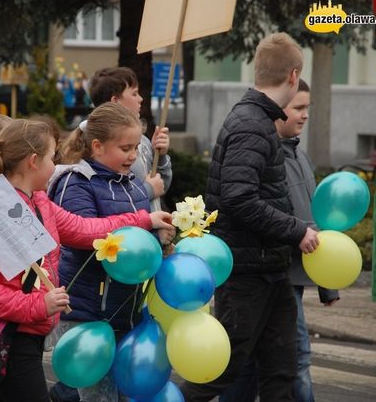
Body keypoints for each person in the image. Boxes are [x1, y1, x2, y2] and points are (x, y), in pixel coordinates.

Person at [0, 118, 173, 402]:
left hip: (27, 333)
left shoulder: (39, 200)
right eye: (52, 157)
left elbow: (86, 229)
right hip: (6, 337)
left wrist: (144, 219)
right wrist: (39, 304)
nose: (57, 163)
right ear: (34, 162)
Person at [180, 33, 320, 402]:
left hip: (268, 270)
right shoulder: (251, 124)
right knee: (219, 370)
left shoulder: (259, 119)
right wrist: (296, 230)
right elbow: (239, 198)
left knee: (282, 373)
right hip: (247, 274)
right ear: (293, 76)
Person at [219, 79, 340, 402]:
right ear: (278, 108)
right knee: (289, 361)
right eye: (298, 107)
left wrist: (328, 281)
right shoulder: (265, 155)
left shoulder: (301, 157)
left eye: (307, 108)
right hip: (273, 274)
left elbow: (315, 221)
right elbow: (252, 207)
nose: (304, 115)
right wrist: (296, 233)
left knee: (265, 364)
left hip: (292, 275)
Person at [48, 102, 176, 402]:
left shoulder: (133, 186)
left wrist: (161, 240)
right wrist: (143, 227)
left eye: (136, 147)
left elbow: (138, 245)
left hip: (124, 312)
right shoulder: (76, 183)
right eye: (126, 148)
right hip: (86, 314)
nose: (133, 156)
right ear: (97, 146)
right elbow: (86, 236)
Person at [88, 66, 171, 211]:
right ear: (115, 101)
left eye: (135, 147)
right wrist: (148, 190)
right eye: (134, 94)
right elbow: (111, 198)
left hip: (150, 230)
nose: (141, 99)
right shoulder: (97, 144)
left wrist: (160, 155)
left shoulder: (143, 141)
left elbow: (161, 185)